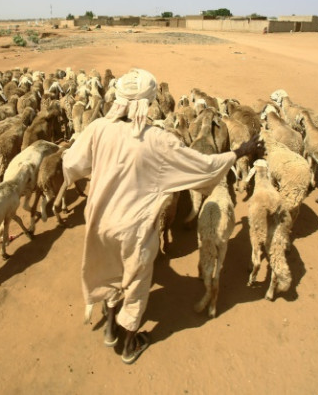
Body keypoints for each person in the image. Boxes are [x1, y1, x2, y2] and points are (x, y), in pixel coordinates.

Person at [62, 69, 259, 365]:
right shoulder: (157, 139)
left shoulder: (99, 128)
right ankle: (130, 344)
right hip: (134, 229)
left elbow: (71, 164)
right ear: (148, 101)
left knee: (113, 272)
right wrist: (240, 151)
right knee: (137, 281)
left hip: (99, 221)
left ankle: (110, 330)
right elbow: (203, 166)